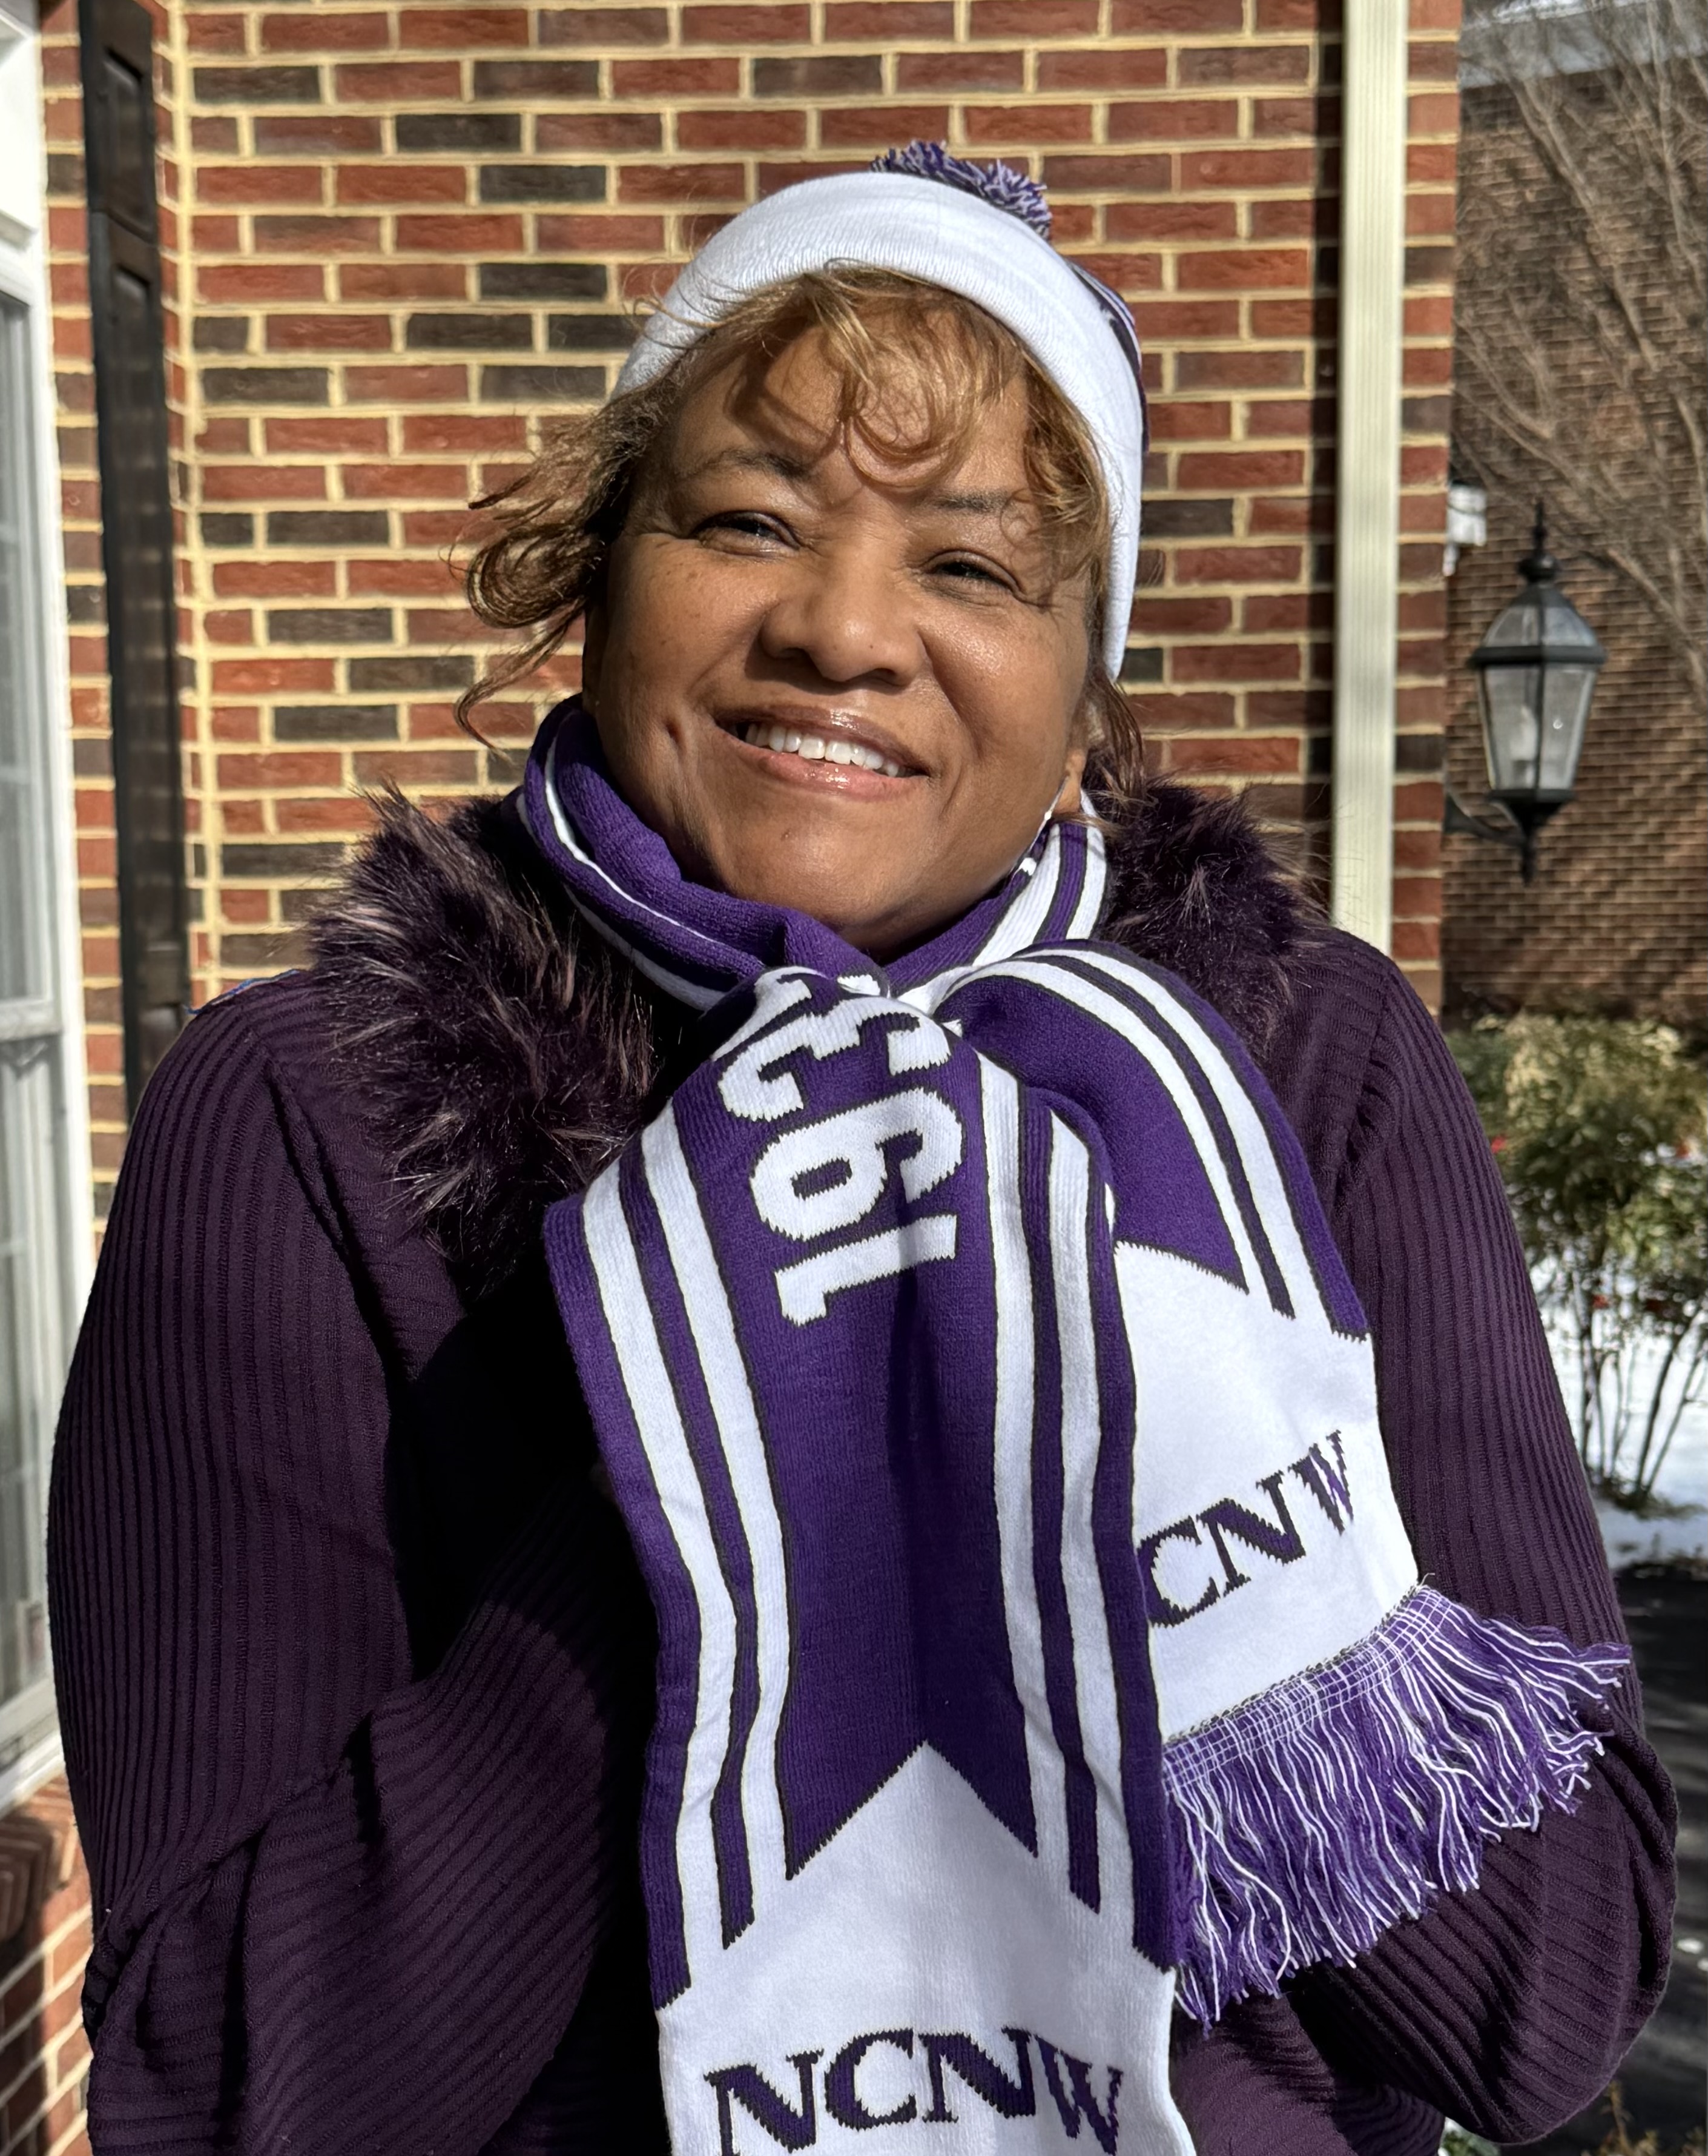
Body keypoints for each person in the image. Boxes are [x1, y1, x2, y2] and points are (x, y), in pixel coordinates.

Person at [49, 150, 1672, 2156]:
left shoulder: (1290, 1071)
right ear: (600, 574)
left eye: (974, 567)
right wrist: (745, 1408)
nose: (841, 629)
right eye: (748, 519)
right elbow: (228, 2097)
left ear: (1081, 705)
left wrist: (1100, 1360)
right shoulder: (316, 1111)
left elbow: (1539, 2003)